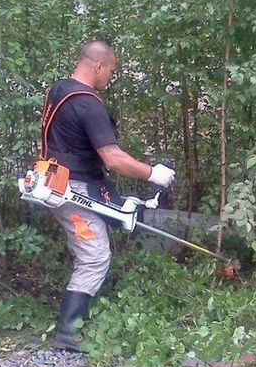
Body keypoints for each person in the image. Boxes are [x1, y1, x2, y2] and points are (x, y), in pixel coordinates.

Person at [41, 41, 175, 351]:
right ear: (99, 66)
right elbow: (113, 158)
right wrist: (152, 173)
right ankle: (68, 334)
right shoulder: (88, 103)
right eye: (111, 70)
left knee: (120, 216)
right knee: (95, 257)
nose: (110, 77)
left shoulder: (61, 90)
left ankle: (75, 325)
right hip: (71, 190)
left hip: (61, 181)